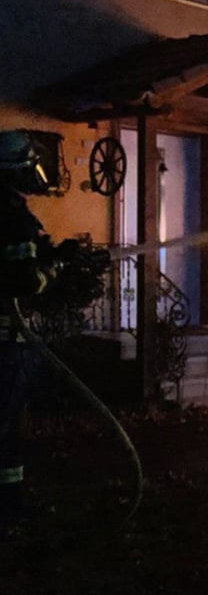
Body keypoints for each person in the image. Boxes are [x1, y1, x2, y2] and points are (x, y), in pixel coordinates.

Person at [0, 136, 59, 525]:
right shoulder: (13, 215)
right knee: (6, 429)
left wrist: (51, 253)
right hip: (6, 341)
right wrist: (51, 272)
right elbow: (24, 281)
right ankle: (8, 511)